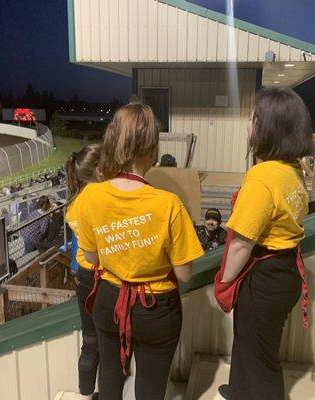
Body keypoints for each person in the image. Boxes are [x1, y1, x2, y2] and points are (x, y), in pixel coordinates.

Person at [75, 102, 203, 400]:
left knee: (110, 379)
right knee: (150, 389)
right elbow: (184, 274)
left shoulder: (91, 196)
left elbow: (91, 259)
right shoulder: (168, 204)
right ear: (151, 149)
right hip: (156, 309)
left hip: (109, 301)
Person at [215, 88, 312, 400]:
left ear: (268, 127)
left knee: (261, 357)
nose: (248, 122)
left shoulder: (262, 176)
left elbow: (242, 242)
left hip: (265, 277)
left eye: (253, 117)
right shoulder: (293, 169)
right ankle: (239, 391)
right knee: (252, 344)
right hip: (284, 272)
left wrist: (224, 280)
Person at [65, 143, 103, 400]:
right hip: (99, 275)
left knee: (90, 341)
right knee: (108, 342)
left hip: (81, 275)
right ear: (100, 170)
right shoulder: (99, 199)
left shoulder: (75, 200)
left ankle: (85, 395)